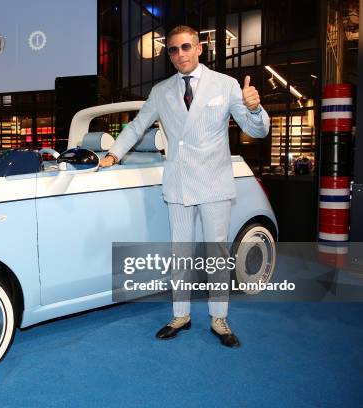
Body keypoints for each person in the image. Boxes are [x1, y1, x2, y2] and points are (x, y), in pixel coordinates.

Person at [100, 25, 270, 348]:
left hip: (214, 183)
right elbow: (137, 125)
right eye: (174, 50)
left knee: (216, 251)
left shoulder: (226, 84)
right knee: (180, 251)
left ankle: (219, 318)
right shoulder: (161, 91)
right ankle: (181, 314)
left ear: (200, 48)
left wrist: (254, 108)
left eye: (187, 47)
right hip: (178, 184)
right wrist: (113, 153)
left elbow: (256, 130)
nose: (181, 55)